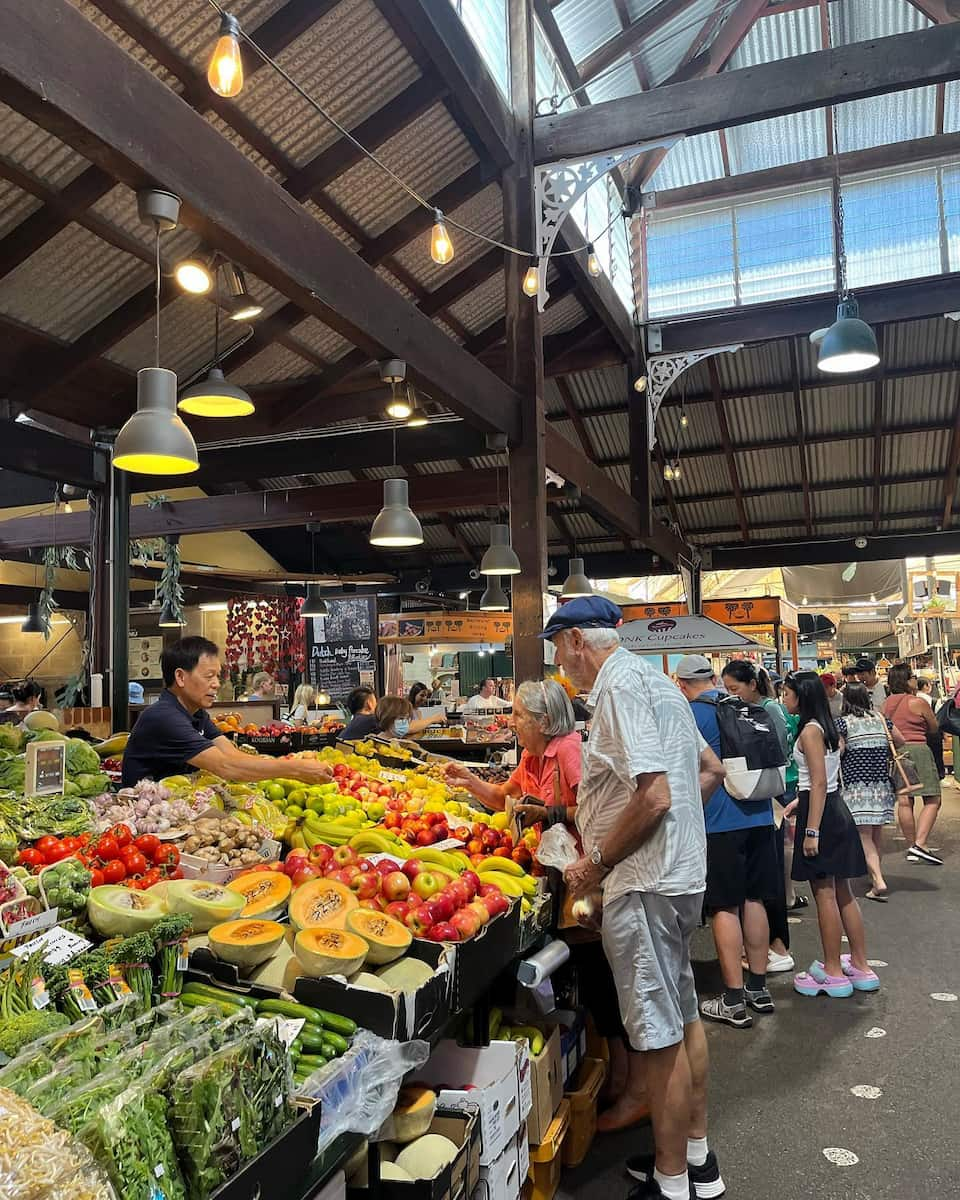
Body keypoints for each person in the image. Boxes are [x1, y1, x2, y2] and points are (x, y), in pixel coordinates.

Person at [548, 598, 725, 1200]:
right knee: (684, 1016)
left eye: (556, 648)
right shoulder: (660, 684)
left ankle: (672, 1181)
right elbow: (708, 770)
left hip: (644, 883)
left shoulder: (620, 690)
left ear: (575, 641)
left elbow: (653, 797)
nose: (559, 663)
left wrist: (596, 862)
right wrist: (674, 840)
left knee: (657, 1035)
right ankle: (697, 1158)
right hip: (676, 874)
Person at [676, 656, 778, 1030]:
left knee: (724, 905)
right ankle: (758, 987)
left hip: (719, 822)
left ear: (682, 682)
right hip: (761, 814)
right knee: (754, 899)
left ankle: (733, 999)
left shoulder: (690, 716)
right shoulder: (744, 706)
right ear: (714, 679)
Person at [122, 637, 333, 789]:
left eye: (218, 676)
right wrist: (296, 769)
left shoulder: (197, 714)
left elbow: (232, 755)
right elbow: (226, 766)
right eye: (209, 676)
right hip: (146, 822)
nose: (216, 684)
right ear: (180, 677)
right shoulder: (164, 717)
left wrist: (288, 766)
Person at [782, 671, 877, 999]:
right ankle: (861, 965)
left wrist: (811, 831)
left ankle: (833, 970)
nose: (784, 698)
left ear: (802, 696)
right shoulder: (829, 728)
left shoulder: (810, 730)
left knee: (825, 894)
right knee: (843, 892)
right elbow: (822, 780)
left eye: (787, 693)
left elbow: (818, 782)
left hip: (821, 814)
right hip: (834, 809)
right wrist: (800, 800)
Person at [720, 659, 796, 973]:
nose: (731, 695)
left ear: (752, 684)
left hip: (774, 792)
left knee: (771, 875)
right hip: (759, 794)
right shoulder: (744, 709)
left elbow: (776, 751)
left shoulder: (771, 710)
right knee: (763, 880)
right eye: (726, 690)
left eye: (734, 688)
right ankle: (768, 949)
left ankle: (779, 947)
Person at [837, 683, 904, 901]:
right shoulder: (882, 719)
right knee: (876, 833)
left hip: (857, 787)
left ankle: (877, 880)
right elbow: (900, 741)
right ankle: (875, 873)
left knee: (863, 836)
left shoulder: (844, 724)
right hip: (883, 786)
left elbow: (839, 752)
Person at [883, 663, 943, 865]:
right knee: (933, 798)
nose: (915, 680)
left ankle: (911, 846)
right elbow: (934, 727)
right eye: (912, 677)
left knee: (905, 800)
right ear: (907, 680)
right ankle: (920, 843)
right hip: (918, 750)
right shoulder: (917, 702)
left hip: (896, 754)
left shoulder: (886, 703)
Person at [917, 677, 946, 780]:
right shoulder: (933, 701)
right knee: (937, 756)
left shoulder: (912, 699)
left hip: (918, 733)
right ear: (925, 686)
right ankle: (939, 777)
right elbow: (941, 718)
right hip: (933, 733)